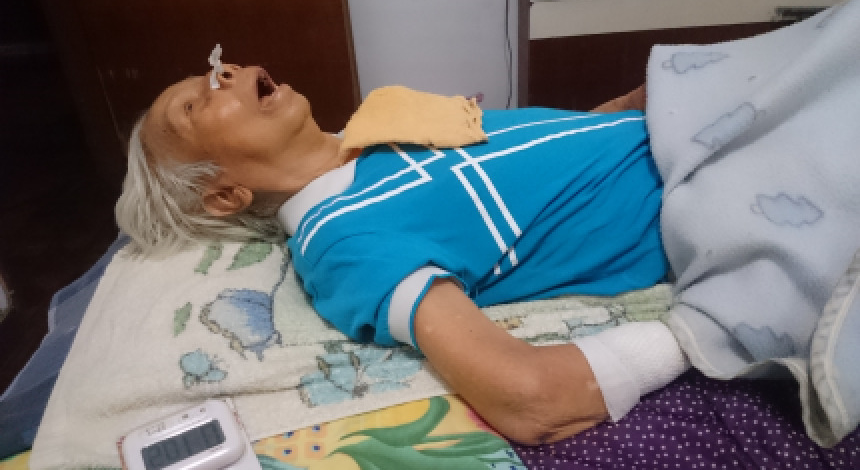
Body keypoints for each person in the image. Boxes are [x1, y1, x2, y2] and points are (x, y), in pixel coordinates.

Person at [115, 63, 689, 445]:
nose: (223, 74)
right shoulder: (340, 241)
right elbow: (530, 398)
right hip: (698, 195)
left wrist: (639, 101)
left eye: (214, 70)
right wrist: (699, 336)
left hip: (681, 122)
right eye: (193, 106)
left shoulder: (384, 132)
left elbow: (547, 152)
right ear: (224, 196)